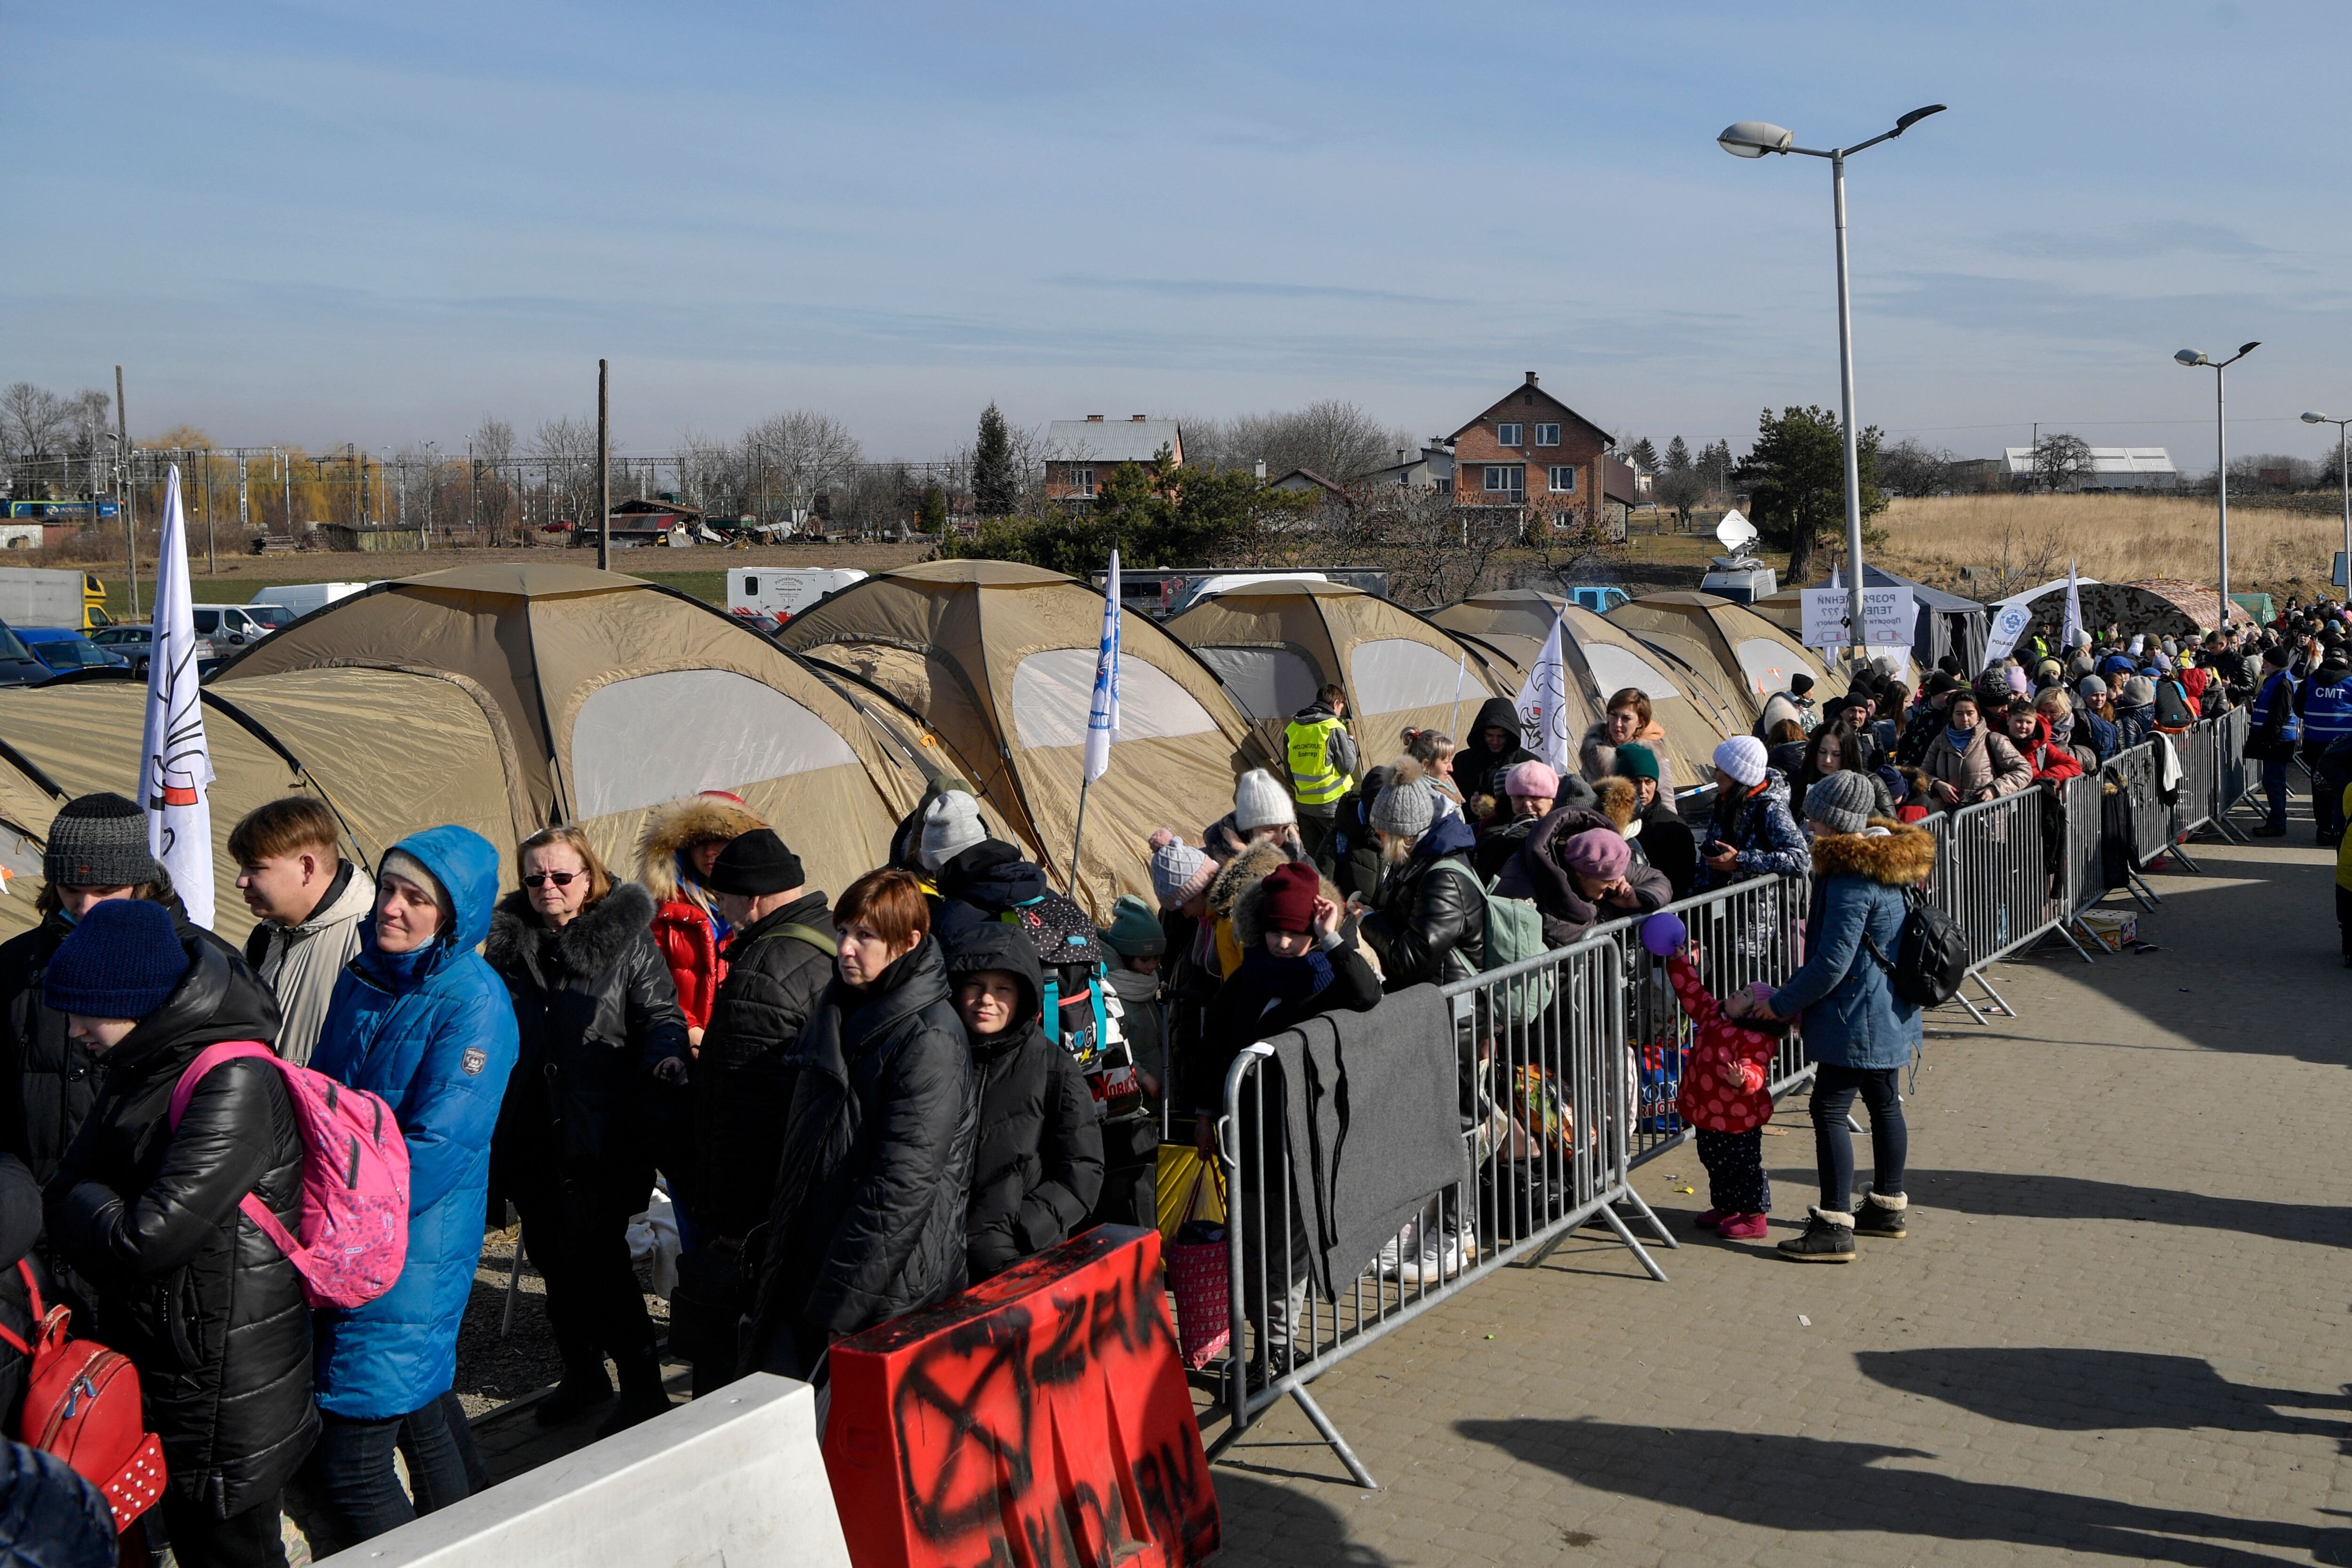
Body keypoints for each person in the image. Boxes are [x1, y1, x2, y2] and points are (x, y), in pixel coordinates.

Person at [41, 899, 313, 1568]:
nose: (74, 1031)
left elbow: (143, 1238)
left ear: (135, 1001)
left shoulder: (233, 1079)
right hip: (178, 1356)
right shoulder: (143, 1061)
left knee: (233, 1552)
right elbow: (69, 1184)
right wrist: (86, 1195)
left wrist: (82, 1197)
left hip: (224, 1378)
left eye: (85, 1013)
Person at [307, 827, 516, 1545]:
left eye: (415, 898)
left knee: (352, 1460)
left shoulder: (475, 1003)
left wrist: (334, 1217)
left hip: (405, 1242)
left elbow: (436, 1148)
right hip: (351, 1230)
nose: (391, 908)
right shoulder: (366, 976)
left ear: (452, 916)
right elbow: (326, 1098)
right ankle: (477, 1540)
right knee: (424, 1406)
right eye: (388, 890)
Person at [485, 826, 687, 1435]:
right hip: (530, 1132)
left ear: (589, 877)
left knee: (600, 1262)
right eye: (535, 877)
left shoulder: (624, 941)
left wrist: (667, 1056)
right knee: (552, 1257)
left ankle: (644, 1387)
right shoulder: (507, 946)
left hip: (599, 1130)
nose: (548, 887)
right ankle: (583, 1374)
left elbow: (659, 1012)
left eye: (561, 876)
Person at [740, 869, 977, 1384]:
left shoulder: (929, 1038)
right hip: (814, 1259)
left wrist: (839, 1310)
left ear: (908, 943)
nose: (845, 948)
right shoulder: (840, 1006)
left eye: (864, 936)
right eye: (843, 930)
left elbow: (901, 1186)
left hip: (880, 1287)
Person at [0, 794, 262, 1189]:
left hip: (143, 1211)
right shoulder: (17, 964)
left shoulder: (198, 965)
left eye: (105, 890)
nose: (86, 905)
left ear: (140, 880)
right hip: (31, 1211)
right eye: (72, 888)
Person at [673, 828, 834, 1396]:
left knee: (743, 1364)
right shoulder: (832, 936)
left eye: (722, 897)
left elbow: (736, 1118)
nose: (719, 910)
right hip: (822, 1189)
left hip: (764, 1211)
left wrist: (728, 1226)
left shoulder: (762, 971)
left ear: (753, 898)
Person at [1754, 771, 1932, 1263]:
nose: (1807, 823)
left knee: (1828, 1109)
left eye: (1813, 814)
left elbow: (1832, 961)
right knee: (1882, 1101)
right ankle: (1886, 1205)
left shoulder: (1852, 875)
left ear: (1833, 820)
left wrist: (1783, 1002)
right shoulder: (1889, 860)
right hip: (1889, 1007)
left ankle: (1834, 1225)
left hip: (1856, 1014)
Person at [1199, 862, 1381, 1317]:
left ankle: (1278, 1349)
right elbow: (1215, 1046)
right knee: (1253, 1248)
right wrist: (1204, 1113)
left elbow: (1367, 995)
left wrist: (1335, 937)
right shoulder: (1247, 979)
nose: (1283, 942)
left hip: (1304, 1138)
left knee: (1288, 1252)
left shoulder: (1330, 978)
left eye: (1295, 932)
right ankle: (1266, 1351)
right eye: (1275, 930)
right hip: (1249, 1139)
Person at [946, 924, 1104, 1281]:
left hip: (1018, 1263)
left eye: (1003, 988)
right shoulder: (936, 1056)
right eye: (976, 985)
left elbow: (1083, 1167)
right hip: (937, 1264)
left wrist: (1026, 1229)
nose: (987, 999)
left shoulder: (1055, 1068)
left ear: (1024, 995)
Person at [231, 796, 373, 1067]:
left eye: (256, 868)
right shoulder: (264, 937)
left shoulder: (370, 937)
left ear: (307, 867)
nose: (241, 881)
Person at [1664, 943, 1786, 1242]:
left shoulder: (1755, 1037)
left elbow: (1755, 1068)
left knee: (1743, 1167)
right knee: (1713, 1162)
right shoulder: (1714, 1013)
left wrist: (1744, 1080)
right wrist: (1679, 962)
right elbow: (1691, 992)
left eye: (1745, 996)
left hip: (1738, 1119)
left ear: (1755, 1013)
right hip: (1709, 1113)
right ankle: (1726, 1208)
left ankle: (1755, 1217)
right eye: (1741, 990)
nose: (1736, 994)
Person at [635, 791, 766, 1049]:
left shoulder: (766, 907)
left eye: (721, 840)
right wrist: (691, 1030)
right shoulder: (664, 915)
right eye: (699, 842)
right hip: (685, 1045)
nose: (710, 851)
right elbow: (650, 984)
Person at [1354, 763, 1485, 989]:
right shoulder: (1421, 859)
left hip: (1454, 1010)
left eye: (1384, 835)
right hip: (1434, 997)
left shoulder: (1444, 879)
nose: (1381, 843)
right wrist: (1371, 916)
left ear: (1404, 834)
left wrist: (1366, 921)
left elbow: (1412, 960)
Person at [1498, 812, 1667, 949]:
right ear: (1581, 873)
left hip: (1599, 981)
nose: (1616, 885)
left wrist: (1636, 900)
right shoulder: (1526, 881)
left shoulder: (1610, 862)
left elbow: (1660, 880)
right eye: (1609, 881)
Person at [1695, 738, 1808, 893]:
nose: (1714, 775)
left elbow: (1801, 861)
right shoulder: (1725, 801)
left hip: (1753, 912)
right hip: (1718, 907)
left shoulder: (1771, 808)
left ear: (1736, 775)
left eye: (1718, 769)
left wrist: (1740, 860)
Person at [1283, 684, 1359, 861]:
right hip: (1331, 808)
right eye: (1341, 708)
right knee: (1339, 858)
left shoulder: (1292, 730)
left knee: (1316, 859)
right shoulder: (1333, 727)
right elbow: (1348, 766)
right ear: (1336, 704)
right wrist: (1351, 742)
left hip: (1305, 808)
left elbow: (1289, 775)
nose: (1340, 713)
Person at [1919, 692, 2031, 812]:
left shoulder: (1994, 740)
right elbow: (1923, 773)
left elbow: (2024, 770)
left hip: (1985, 817)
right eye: (1959, 714)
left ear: (1978, 714)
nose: (1965, 719)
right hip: (1947, 817)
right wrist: (1937, 784)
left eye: (1970, 713)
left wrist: (1995, 789)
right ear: (1952, 715)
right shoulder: (1940, 741)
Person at [1615, 743, 1698, 900]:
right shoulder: (1609, 821)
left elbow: (1681, 883)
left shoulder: (1674, 829)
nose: (1642, 789)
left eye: (1648, 781)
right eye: (1635, 782)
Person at [1472, 759, 1567, 881]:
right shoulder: (1490, 829)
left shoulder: (1566, 832)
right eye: (1520, 797)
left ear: (1552, 800)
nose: (1527, 804)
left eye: (1536, 797)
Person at [2298, 643, 2352, 844]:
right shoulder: (2350, 683)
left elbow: (2298, 708)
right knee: (2344, 787)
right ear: (2345, 662)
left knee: (2319, 786)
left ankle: (2323, 829)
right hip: (2344, 746)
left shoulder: (2310, 681)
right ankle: (2341, 829)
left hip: (2315, 743)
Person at [1791, 724, 1894, 823]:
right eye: (1822, 752)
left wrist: (1858, 802)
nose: (1827, 760)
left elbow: (1892, 827)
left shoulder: (1872, 783)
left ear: (1848, 754)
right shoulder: (1798, 779)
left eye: (1836, 755)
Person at [1582, 689, 1678, 792]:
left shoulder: (1651, 753)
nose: (1618, 724)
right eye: (1614, 715)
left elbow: (1666, 800)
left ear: (1640, 722)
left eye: (1626, 718)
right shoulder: (1593, 748)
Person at [2249, 645, 2299, 837]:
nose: (2263, 665)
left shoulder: (2282, 682)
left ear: (2275, 664)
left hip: (2278, 741)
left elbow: (2280, 714)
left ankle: (2277, 823)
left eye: (2266, 662)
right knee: (2273, 781)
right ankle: (2276, 821)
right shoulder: (2277, 680)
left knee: (2274, 782)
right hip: (2277, 738)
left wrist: (2269, 737)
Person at [1203, 769, 1306, 863]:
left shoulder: (1298, 855)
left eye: (1285, 829)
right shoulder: (1208, 866)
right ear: (1248, 829)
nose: (1280, 840)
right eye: (1270, 829)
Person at [1455, 696, 1535, 806]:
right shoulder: (1463, 761)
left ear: (1510, 736)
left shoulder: (1528, 763)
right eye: (1490, 735)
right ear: (1482, 734)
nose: (1495, 741)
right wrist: (1470, 804)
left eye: (1501, 736)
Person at [2002, 697, 2083, 783]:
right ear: (2008, 720)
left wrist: (2040, 780)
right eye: (2019, 721)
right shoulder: (1994, 742)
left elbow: (2073, 766)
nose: (2024, 726)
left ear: (2035, 723)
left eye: (2029, 722)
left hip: (2034, 795)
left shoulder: (2042, 746)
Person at [1754, 672, 1816, 740]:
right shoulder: (1794, 711)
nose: (1813, 693)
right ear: (1804, 693)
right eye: (1812, 690)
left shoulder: (1784, 704)